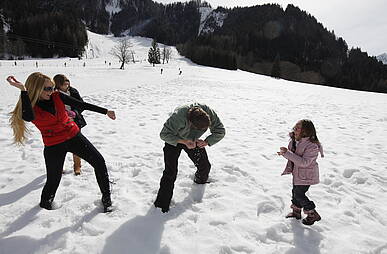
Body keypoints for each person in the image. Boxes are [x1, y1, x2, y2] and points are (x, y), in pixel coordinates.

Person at [7, 72, 116, 213]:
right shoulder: (30, 107)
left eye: (52, 87)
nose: (51, 91)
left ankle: (106, 200)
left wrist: (105, 111)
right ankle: (45, 207)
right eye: (47, 89)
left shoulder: (57, 96)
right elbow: (28, 117)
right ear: (36, 89)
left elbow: (81, 104)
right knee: (53, 180)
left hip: (74, 136)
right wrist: (23, 90)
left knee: (99, 162)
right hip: (53, 145)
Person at [154, 103, 225, 213]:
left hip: (194, 141)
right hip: (174, 140)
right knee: (170, 172)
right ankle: (161, 205)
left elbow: (220, 131)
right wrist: (184, 141)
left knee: (204, 166)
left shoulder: (209, 113)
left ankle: (199, 184)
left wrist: (206, 142)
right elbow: (164, 134)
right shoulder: (178, 116)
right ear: (190, 122)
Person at [277, 119, 324, 225]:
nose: (294, 129)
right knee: (295, 193)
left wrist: (288, 154)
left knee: (299, 194)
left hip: (307, 175)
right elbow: (293, 156)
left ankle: (312, 213)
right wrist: (285, 153)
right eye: (295, 127)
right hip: (297, 174)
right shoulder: (294, 141)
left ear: (305, 131)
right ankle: (296, 212)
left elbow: (304, 162)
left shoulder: (312, 146)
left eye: (298, 128)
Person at [53, 74, 86, 175]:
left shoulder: (73, 91)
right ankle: (59, 167)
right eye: (64, 84)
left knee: (77, 144)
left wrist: (75, 113)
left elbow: (82, 105)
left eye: (67, 83)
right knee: (60, 146)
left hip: (74, 122)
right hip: (59, 123)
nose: (67, 86)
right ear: (58, 85)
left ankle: (77, 166)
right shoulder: (52, 93)